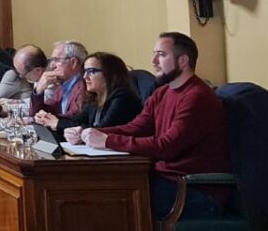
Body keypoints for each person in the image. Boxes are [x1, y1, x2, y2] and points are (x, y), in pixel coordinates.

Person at [81, 33, 230, 220]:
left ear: (183, 60)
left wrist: (107, 140)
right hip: (167, 181)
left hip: (195, 190)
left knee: (112, 198)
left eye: (161, 55)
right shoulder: (162, 93)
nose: (154, 61)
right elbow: (135, 128)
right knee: (100, 188)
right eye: (154, 54)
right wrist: (89, 134)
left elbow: (167, 146)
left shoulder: (197, 97)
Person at [37, 52, 142, 138]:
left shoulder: (123, 97)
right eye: (84, 71)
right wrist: (47, 119)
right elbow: (76, 121)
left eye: (91, 71)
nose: (85, 76)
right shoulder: (95, 99)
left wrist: (57, 124)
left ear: (110, 74)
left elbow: (101, 130)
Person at [0, 45, 47, 115]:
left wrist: (0, 109)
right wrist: (14, 102)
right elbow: (31, 102)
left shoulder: (49, 82)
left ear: (38, 70)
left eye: (22, 73)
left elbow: (37, 109)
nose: (20, 76)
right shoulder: (37, 78)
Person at [32, 40, 87, 118]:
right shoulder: (62, 86)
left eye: (56, 60)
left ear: (73, 63)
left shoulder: (85, 86)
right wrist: (38, 90)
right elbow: (39, 113)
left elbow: (74, 119)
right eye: (52, 60)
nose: (52, 66)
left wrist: (46, 118)